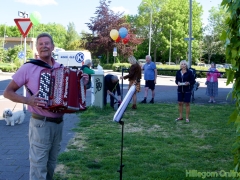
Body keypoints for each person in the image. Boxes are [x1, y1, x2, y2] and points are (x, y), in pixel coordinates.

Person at [3, 33, 65, 179]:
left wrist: (84, 81)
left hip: (59, 124)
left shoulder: (60, 68)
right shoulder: (28, 67)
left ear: (53, 47)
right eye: (41, 44)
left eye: (47, 43)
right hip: (40, 124)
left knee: (51, 165)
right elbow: (7, 92)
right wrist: (28, 100)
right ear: (37, 48)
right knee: (38, 168)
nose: (44, 46)